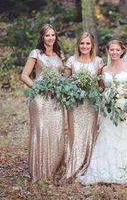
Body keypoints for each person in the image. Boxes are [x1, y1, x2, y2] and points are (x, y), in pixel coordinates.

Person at [78, 39, 127, 184]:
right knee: (107, 136)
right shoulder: (103, 69)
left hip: (125, 110)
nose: (114, 52)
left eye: (117, 50)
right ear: (107, 51)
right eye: (112, 50)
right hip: (108, 110)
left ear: (122, 51)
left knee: (124, 137)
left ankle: (124, 169)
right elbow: (101, 88)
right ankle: (105, 169)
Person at [21, 24, 65, 182]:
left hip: (56, 97)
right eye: (47, 35)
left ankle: (52, 170)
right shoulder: (36, 53)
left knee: (56, 130)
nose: (51, 38)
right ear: (42, 37)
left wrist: (62, 87)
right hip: (40, 98)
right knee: (41, 130)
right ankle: (39, 171)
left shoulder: (60, 54)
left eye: (53, 35)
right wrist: (38, 88)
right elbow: (24, 76)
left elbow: (63, 75)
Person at [64, 32, 103, 180]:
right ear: (78, 45)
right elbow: (66, 83)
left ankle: (88, 164)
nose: (84, 46)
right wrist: (75, 89)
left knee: (89, 133)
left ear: (92, 45)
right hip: (75, 104)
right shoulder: (71, 61)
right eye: (82, 43)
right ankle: (73, 164)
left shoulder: (98, 62)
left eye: (87, 43)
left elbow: (101, 86)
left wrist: (91, 90)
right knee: (75, 133)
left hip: (91, 104)